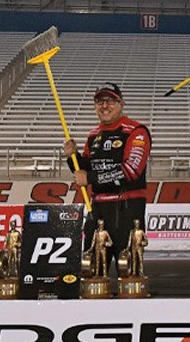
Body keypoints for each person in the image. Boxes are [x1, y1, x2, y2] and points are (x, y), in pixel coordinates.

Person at [64, 83, 151, 278]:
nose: (104, 105)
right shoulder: (94, 135)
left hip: (127, 208)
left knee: (130, 274)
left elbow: (131, 171)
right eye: (99, 101)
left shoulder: (136, 131)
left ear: (121, 103)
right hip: (98, 209)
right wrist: (73, 157)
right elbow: (85, 169)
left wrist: (90, 178)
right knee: (92, 274)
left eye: (110, 100)